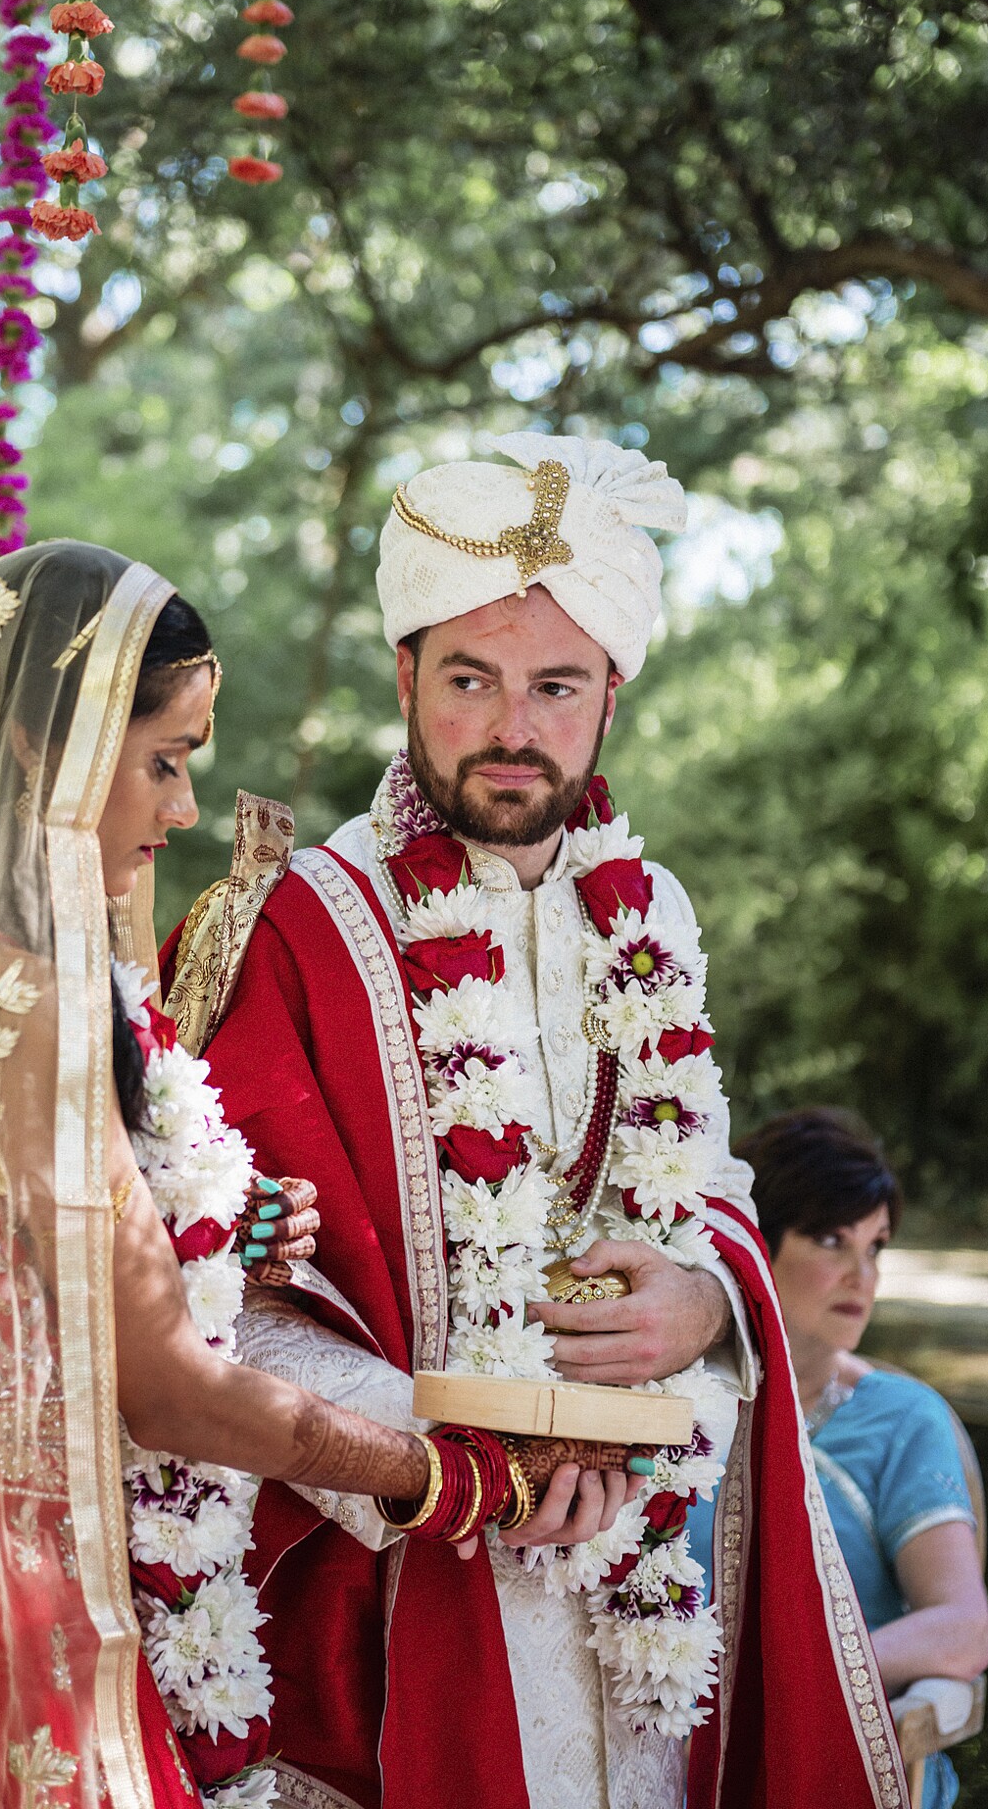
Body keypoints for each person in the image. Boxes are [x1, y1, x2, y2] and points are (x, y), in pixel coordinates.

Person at [0, 543, 595, 1809]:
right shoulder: (15, 995)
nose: (186, 808)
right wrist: (450, 1475)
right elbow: (168, 1390)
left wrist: (204, 1236)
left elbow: (29, 1264)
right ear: (44, 750)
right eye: (164, 759)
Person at [166, 435, 911, 1809]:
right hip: (406, 1580)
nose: (511, 725)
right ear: (405, 674)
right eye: (469, 678)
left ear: (610, 695)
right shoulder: (299, 927)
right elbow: (216, 1299)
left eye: (555, 685)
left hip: (646, 1585)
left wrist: (706, 1299)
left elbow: (708, 1182)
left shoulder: (652, 914)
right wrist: (461, 1457)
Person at [688, 1107, 988, 1809]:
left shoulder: (901, 1420)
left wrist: (802, 1681)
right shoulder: (676, 1401)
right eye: (831, 1239)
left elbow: (963, 1626)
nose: (863, 1275)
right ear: (754, 1243)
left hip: (834, 1763)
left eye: (876, 1246)